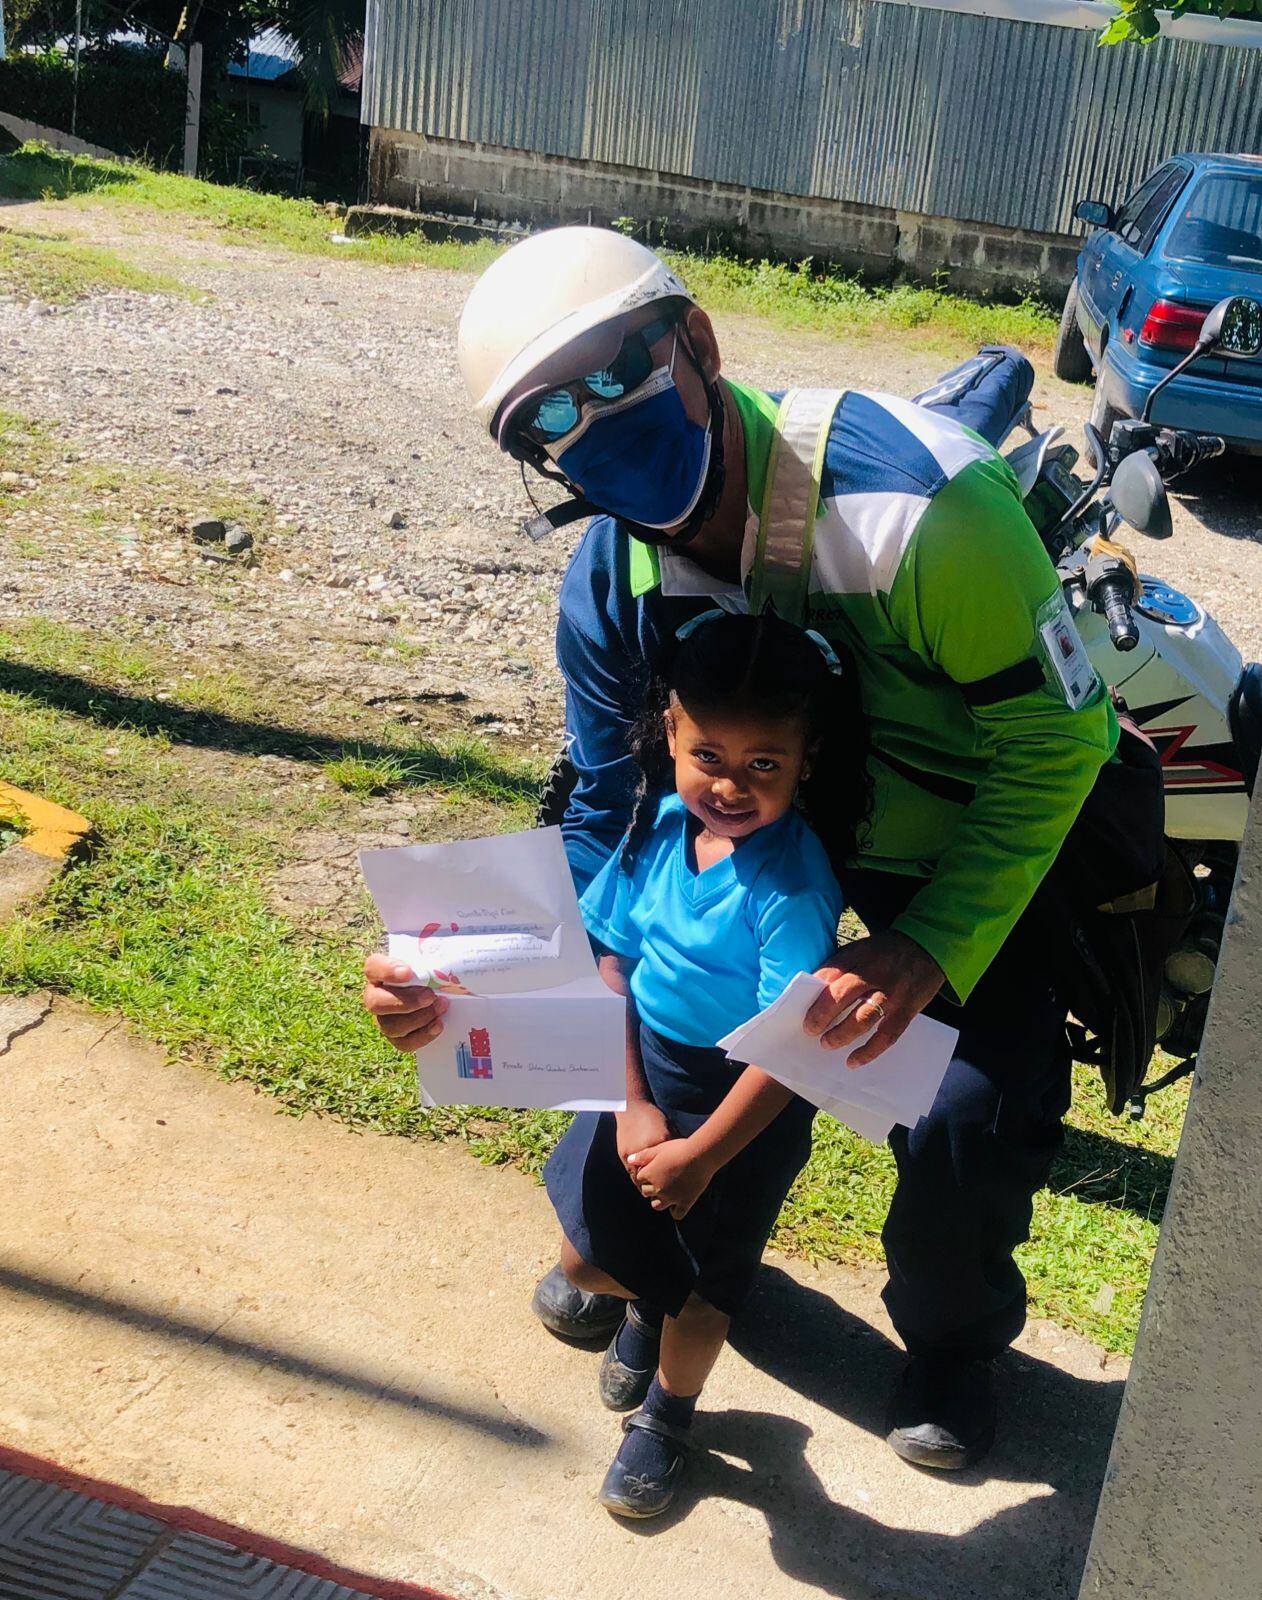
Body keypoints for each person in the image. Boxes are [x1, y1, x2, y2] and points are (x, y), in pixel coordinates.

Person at [364, 226, 1120, 1471]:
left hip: (943, 852)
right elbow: (608, 809)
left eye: (614, 373)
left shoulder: (922, 510)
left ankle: (949, 1345)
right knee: (647, 1074)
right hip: (739, 851)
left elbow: (1061, 736)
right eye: (545, 418)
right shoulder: (611, 581)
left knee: (963, 1116)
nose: (589, 424)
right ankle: (651, 1264)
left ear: (697, 343)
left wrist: (926, 946)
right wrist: (461, 979)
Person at [548, 608, 867, 1517]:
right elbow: (613, 963)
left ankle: (667, 1414)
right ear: (669, 736)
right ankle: (641, 1305)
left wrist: (702, 1156)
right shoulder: (656, 824)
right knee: (584, 1259)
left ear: (806, 759)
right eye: (708, 757)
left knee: (702, 1287)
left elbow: (789, 1048)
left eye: (763, 764)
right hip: (643, 1072)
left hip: (739, 1107)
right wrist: (630, 1103)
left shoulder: (791, 885)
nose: (730, 785)